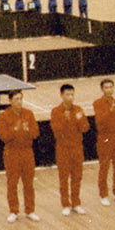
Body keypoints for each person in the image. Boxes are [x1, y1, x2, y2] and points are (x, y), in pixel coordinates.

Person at [0, 89, 40, 221]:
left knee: (28, 183)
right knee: (12, 183)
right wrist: (14, 129)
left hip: (27, 152)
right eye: (16, 99)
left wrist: (27, 130)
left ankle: (30, 210)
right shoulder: (4, 116)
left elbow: (35, 133)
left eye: (21, 99)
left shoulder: (29, 114)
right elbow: (4, 137)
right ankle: (13, 211)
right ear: (10, 101)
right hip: (12, 153)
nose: (19, 102)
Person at [49, 83, 90, 214]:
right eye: (67, 94)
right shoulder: (56, 111)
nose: (70, 97)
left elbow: (85, 128)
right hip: (63, 149)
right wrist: (64, 120)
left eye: (72, 94)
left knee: (77, 177)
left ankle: (76, 203)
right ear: (61, 95)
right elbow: (56, 131)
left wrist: (78, 120)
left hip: (77, 148)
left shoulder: (78, 109)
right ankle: (65, 204)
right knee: (64, 178)